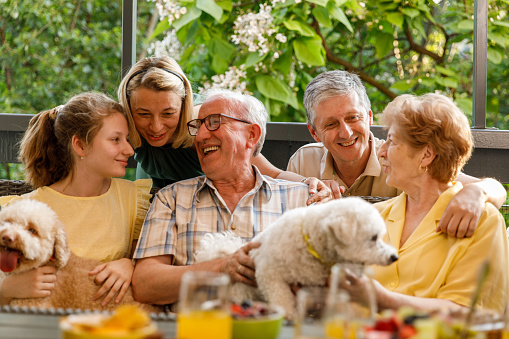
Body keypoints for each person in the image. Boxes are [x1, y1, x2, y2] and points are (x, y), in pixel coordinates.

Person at [131, 89, 313, 306]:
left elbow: (326, 281)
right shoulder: (170, 199)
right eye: (197, 126)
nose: (200, 136)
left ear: (251, 135)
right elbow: (144, 284)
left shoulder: (301, 200)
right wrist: (221, 268)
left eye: (214, 122)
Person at [287, 70, 507, 238]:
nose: (345, 132)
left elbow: (494, 190)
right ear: (314, 132)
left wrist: (476, 193)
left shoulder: (400, 159)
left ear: (369, 118)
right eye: (331, 124)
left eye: (353, 118)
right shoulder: (303, 162)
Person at [0, 92, 151, 307]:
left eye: (127, 139)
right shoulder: (26, 210)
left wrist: (131, 265)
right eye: (116, 139)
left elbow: (149, 265)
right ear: (79, 145)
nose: (129, 150)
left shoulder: (133, 199)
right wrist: (6, 290)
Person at [362, 93, 508, 313]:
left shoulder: (482, 221)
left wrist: (383, 299)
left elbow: (472, 315)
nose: (381, 152)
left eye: (391, 141)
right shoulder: (373, 217)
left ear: (426, 155)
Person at [117, 55, 330, 204]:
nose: (156, 126)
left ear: (184, 105)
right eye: (143, 114)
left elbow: (269, 172)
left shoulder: (205, 127)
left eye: (168, 114)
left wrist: (307, 183)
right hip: (155, 191)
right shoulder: (123, 124)